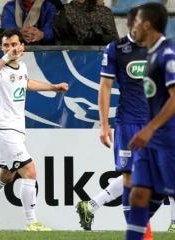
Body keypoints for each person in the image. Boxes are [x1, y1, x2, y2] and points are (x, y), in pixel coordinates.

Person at [0, 28, 68, 231]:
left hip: (17, 129)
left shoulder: (23, 67)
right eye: (6, 45)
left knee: (6, 176)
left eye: (13, 45)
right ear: (1, 48)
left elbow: (26, 83)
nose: (10, 48)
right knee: (30, 172)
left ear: (22, 47)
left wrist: (52, 87)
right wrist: (5, 58)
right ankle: (32, 222)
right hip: (3, 129)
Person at [76, 7, 153, 239]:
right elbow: (106, 87)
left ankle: (91, 206)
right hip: (128, 121)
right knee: (130, 177)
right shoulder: (116, 49)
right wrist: (103, 124)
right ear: (129, 26)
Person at [126, 2, 175, 239]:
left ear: (147, 24)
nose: (132, 27)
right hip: (152, 140)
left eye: (136, 22)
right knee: (138, 195)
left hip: (169, 139)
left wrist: (150, 129)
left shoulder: (168, 54)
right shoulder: (151, 53)